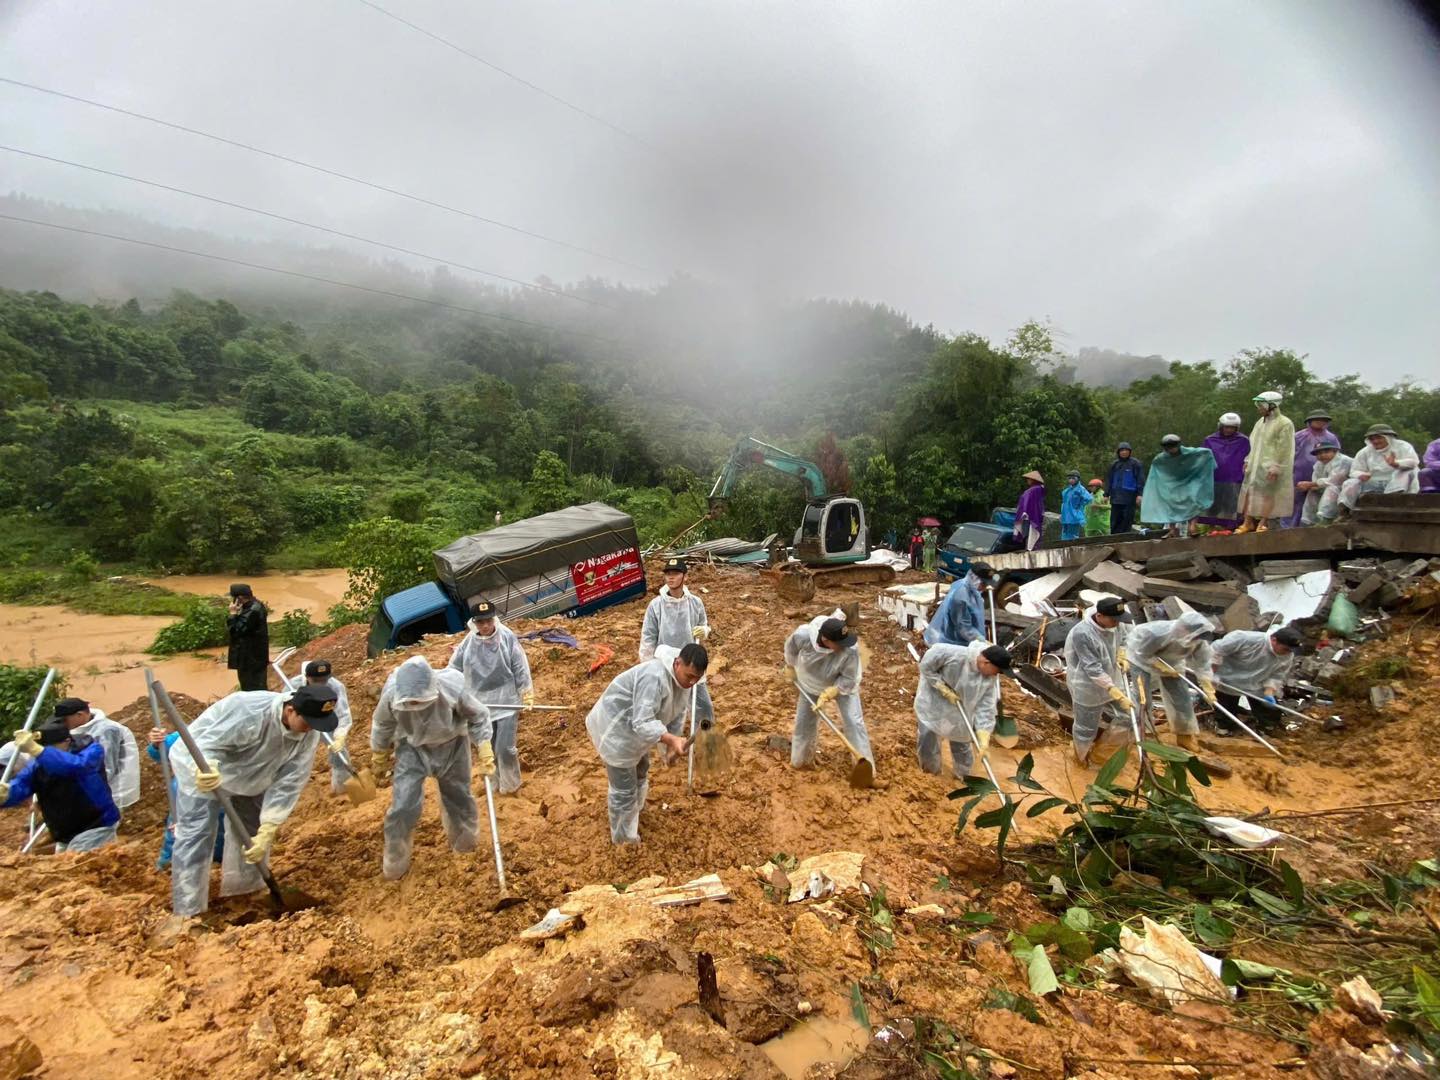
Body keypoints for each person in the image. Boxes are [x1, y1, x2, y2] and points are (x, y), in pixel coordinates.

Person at [167, 683, 339, 916]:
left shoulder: (308, 733)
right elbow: (205, 743)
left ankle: (245, 891)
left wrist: (269, 826)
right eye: (307, 723)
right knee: (196, 836)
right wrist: (206, 767)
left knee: (252, 830)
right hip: (204, 770)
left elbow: (290, 781)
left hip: (253, 777)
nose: (310, 730)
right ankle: (189, 911)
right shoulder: (248, 710)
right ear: (290, 711)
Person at [371, 656, 494, 880]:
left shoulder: (451, 688)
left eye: (421, 701)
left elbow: (479, 716)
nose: (417, 707)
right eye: (412, 703)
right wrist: (379, 753)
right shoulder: (392, 694)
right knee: (404, 804)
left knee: (458, 797)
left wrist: (484, 745)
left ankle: (465, 846)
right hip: (412, 749)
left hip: (453, 745)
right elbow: (382, 724)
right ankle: (395, 862)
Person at [586, 644, 700, 844]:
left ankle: (635, 813)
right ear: (677, 663)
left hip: (636, 734)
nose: (691, 682)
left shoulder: (684, 683)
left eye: (696, 679)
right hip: (616, 730)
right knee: (624, 788)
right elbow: (642, 721)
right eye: (689, 676)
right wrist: (671, 739)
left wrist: (670, 749)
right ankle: (624, 841)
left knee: (641, 768)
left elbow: (675, 713)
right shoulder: (654, 677)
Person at [448, 600, 534, 795]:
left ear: (494, 619)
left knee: (505, 748)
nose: (485, 626)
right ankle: (495, 785)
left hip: (507, 701)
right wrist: (452, 694)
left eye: (488, 621)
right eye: (480, 622)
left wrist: (526, 692)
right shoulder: (468, 644)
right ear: (474, 623)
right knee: (488, 750)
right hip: (480, 704)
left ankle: (511, 786)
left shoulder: (507, 637)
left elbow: (519, 665)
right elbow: (453, 669)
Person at [0, 719, 120, 852]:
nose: (45, 752)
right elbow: (22, 785)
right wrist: (7, 795)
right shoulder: (39, 763)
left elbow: (73, 767)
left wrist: (38, 751)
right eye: (43, 748)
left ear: (67, 742)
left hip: (95, 826)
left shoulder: (89, 750)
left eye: (50, 748)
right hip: (64, 833)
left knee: (80, 867)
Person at [636, 558, 714, 743]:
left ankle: (705, 739)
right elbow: (648, 637)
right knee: (670, 711)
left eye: (675, 574)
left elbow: (703, 625)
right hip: (667, 664)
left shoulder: (695, 603)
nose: (670, 578)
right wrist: (647, 665)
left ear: (684, 577)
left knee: (703, 706)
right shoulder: (656, 605)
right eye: (668, 574)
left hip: (691, 663)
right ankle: (672, 747)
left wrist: (705, 630)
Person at [914, 641, 1012, 778]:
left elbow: (986, 707)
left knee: (961, 739)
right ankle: (931, 775)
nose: (997, 675)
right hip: (933, 705)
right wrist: (941, 686)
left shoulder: (989, 679)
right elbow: (926, 666)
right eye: (998, 670)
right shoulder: (950, 654)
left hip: (961, 712)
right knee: (929, 737)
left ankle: (964, 777)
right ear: (986, 662)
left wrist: (983, 737)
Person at [784, 615, 871, 769]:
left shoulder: (850, 650)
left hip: (842, 685)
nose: (844, 646)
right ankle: (801, 761)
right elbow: (791, 649)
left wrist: (832, 691)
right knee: (804, 722)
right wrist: (790, 666)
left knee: (854, 722)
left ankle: (864, 768)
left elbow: (849, 679)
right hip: (810, 682)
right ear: (825, 640)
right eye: (839, 643)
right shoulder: (803, 636)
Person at [1124, 611, 1217, 753]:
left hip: (1173, 662)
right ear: (1183, 629)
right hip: (1141, 659)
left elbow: (1202, 664)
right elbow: (1143, 654)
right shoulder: (1155, 633)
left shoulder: (1198, 641)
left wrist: (1207, 685)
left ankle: (1184, 735)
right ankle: (1145, 733)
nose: (1198, 640)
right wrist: (1160, 666)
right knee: (1143, 697)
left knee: (1182, 697)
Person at [1064, 596, 1133, 766]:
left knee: (1129, 715)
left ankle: (1103, 754)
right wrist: (1112, 689)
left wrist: (1123, 653)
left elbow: (1125, 637)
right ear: (1100, 616)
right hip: (1087, 686)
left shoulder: (1117, 622)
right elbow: (1092, 668)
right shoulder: (1083, 633)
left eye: (1119, 620)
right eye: (1114, 620)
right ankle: (1080, 757)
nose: (1118, 623)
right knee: (1086, 727)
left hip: (1114, 678)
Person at [147, 727, 225, 871]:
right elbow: (162, 750)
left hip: (223, 799)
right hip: (186, 798)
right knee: (178, 842)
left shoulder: (239, 734)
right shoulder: (198, 730)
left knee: (220, 840)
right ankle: (167, 868)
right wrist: (157, 743)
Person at [48, 697, 140, 817]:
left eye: (65, 720)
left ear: (80, 715)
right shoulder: (83, 730)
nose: (62, 723)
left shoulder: (106, 731)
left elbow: (106, 768)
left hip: (114, 791)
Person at [1210, 626, 1303, 735]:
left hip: (1257, 683)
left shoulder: (1287, 655)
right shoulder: (1244, 639)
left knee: (1269, 710)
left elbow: (1277, 675)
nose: (1288, 653)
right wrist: (1211, 673)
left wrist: (1269, 692)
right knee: (1226, 710)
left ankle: (1266, 729)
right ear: (1274, 640)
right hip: (1227, 679)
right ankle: (1224, 728)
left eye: (1291, 651)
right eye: (1286, 649)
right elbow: (1216, 651)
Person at [1236, 391, 1296, 533]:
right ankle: (1247, 522)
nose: (1259, 408)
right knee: (1250, 491)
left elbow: (1284, 448)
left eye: (1261, 405)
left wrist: (1277, 467)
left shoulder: (1284, 423)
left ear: (1271, 405)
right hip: (1255, 464)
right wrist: (1248, 459)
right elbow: (1253, 443)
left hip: (1270, 465)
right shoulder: (1260, 423)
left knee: (1269, 494)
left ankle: (1263, 522)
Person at [297, 661, 354, 795]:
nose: (320, 684)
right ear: (307, 677)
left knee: (340, 753)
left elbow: (343, 714)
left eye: (324, 680)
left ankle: (342, 790)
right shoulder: (294, 687)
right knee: (295, 754)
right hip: (300, 722)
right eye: (316, 680)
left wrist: (340, 736)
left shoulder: (335, 687)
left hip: (325, 719)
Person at [1141, 436, 1216, 538]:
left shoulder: (1189, 452)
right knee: (1170, 500)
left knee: (1193, 498)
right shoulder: (1161, 458)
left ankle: (1192, 526)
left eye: (1173, 446)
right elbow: (1156, 468)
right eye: (1168, 448)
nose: (1171, 450)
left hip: (1189, 481)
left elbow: (1205, 453)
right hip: (1173, 484)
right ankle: (1172, 529)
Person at [1340, 424, 1421, 510]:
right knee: (1350, 483)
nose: (1375, 441)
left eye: (1378, 437)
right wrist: (1361, 475)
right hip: (1374, 482)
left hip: (1399, 483)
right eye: (1372, 439)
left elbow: (1414, 462)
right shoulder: (1365, 452)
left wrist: (1396, 464)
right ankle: (1345, 511)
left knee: (1409, 471)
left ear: (1388, 437)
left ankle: (1396, 500)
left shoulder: (1403, 446)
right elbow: (1354, 470)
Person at [1197, 413, 1250, 531]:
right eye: (1226, 427)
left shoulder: (1243, 440)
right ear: (1221, 426)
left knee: (1232, 509)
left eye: (1232, 427)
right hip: (1215, 478)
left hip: (1235, 479)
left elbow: (1249, 457)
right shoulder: (1210, 440)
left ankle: (1230, 530)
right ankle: (1211, 530)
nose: (1229, 430)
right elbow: (1202, 458)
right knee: (1212, 509)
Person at [1290, 410, 1339, 526]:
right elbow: (1288, 453)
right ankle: (1290, 527)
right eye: (1317, 420)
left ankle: (1312, 525)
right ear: (1309, 421)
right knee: (1295, 501)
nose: (1320, 423)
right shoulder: (1299, 436)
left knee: (1316, 499)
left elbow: (1336, 455)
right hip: (1298, 473)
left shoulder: (1331, 438)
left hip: (1322, 474)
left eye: (1323, 420)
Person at [924, 562, 991, 647]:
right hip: (946, 643)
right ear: (975, 579)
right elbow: (964, 628)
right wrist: (981, 641)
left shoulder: (969, 587)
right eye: (984, 584)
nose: (985, 587)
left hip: (958, 637)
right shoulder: (961, 597)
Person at [226, 583, 270, 691]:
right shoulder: (253, 606)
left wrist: (232, 614)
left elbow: (236, 630)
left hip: (250, 658)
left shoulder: (252, 611)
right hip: (253, 657)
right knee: (254, 685)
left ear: (239, 598)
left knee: (251, 687)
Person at [1299, 438, 1352, 525]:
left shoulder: (1343, 461)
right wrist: (1306, 486)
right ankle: (1310, 521)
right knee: (1313, 492)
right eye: (1319, 453)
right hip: (1334, 488)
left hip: (1349, 489)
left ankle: (1325, 518)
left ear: (1334, 451)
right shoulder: (1318, 465)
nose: (1322, 455)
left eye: (1326, 452)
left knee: (1331, 489)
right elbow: (1316, 482)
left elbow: (1335, 481)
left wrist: (1311, 484)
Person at [1106, 444, 1146, 534]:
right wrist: (1106, 494)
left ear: (1130, 452)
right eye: (1122, 450)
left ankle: (1125, 538)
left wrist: (1140, 494)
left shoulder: (1135, 464)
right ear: (1118, 452)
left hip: (1129, 497)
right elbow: (1109, 479)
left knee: (1127, 519)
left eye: (1126, 450)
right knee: (1115, 520)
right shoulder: (1114, 464)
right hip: (1116, 497)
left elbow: (1140, 479)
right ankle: (1114, 539)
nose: (1124, 452)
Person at [1014, 471, 1046, 551]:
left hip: (1029, 516)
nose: (1027, 480)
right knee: (1029, 533)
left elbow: (1029, 503)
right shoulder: (1037, 489)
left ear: (1033, 480)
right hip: (1029, 515)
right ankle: (1029, 547)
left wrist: (1025, 511)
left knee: (1029, 533)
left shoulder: (1034, 490)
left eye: (1029, 479)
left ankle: (1029, 548)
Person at [1059, 471, 1093, 541]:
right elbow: (1064, 502)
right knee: (1065, 534)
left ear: (1078, 479)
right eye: (1069, 478)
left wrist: (1079, 507)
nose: (1071, 480)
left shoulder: (1080, 489)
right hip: (1066, 515)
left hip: (1074, 515)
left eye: (1073, 478)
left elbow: (1089, 498)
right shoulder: (1067, 490)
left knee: (1073, 535)